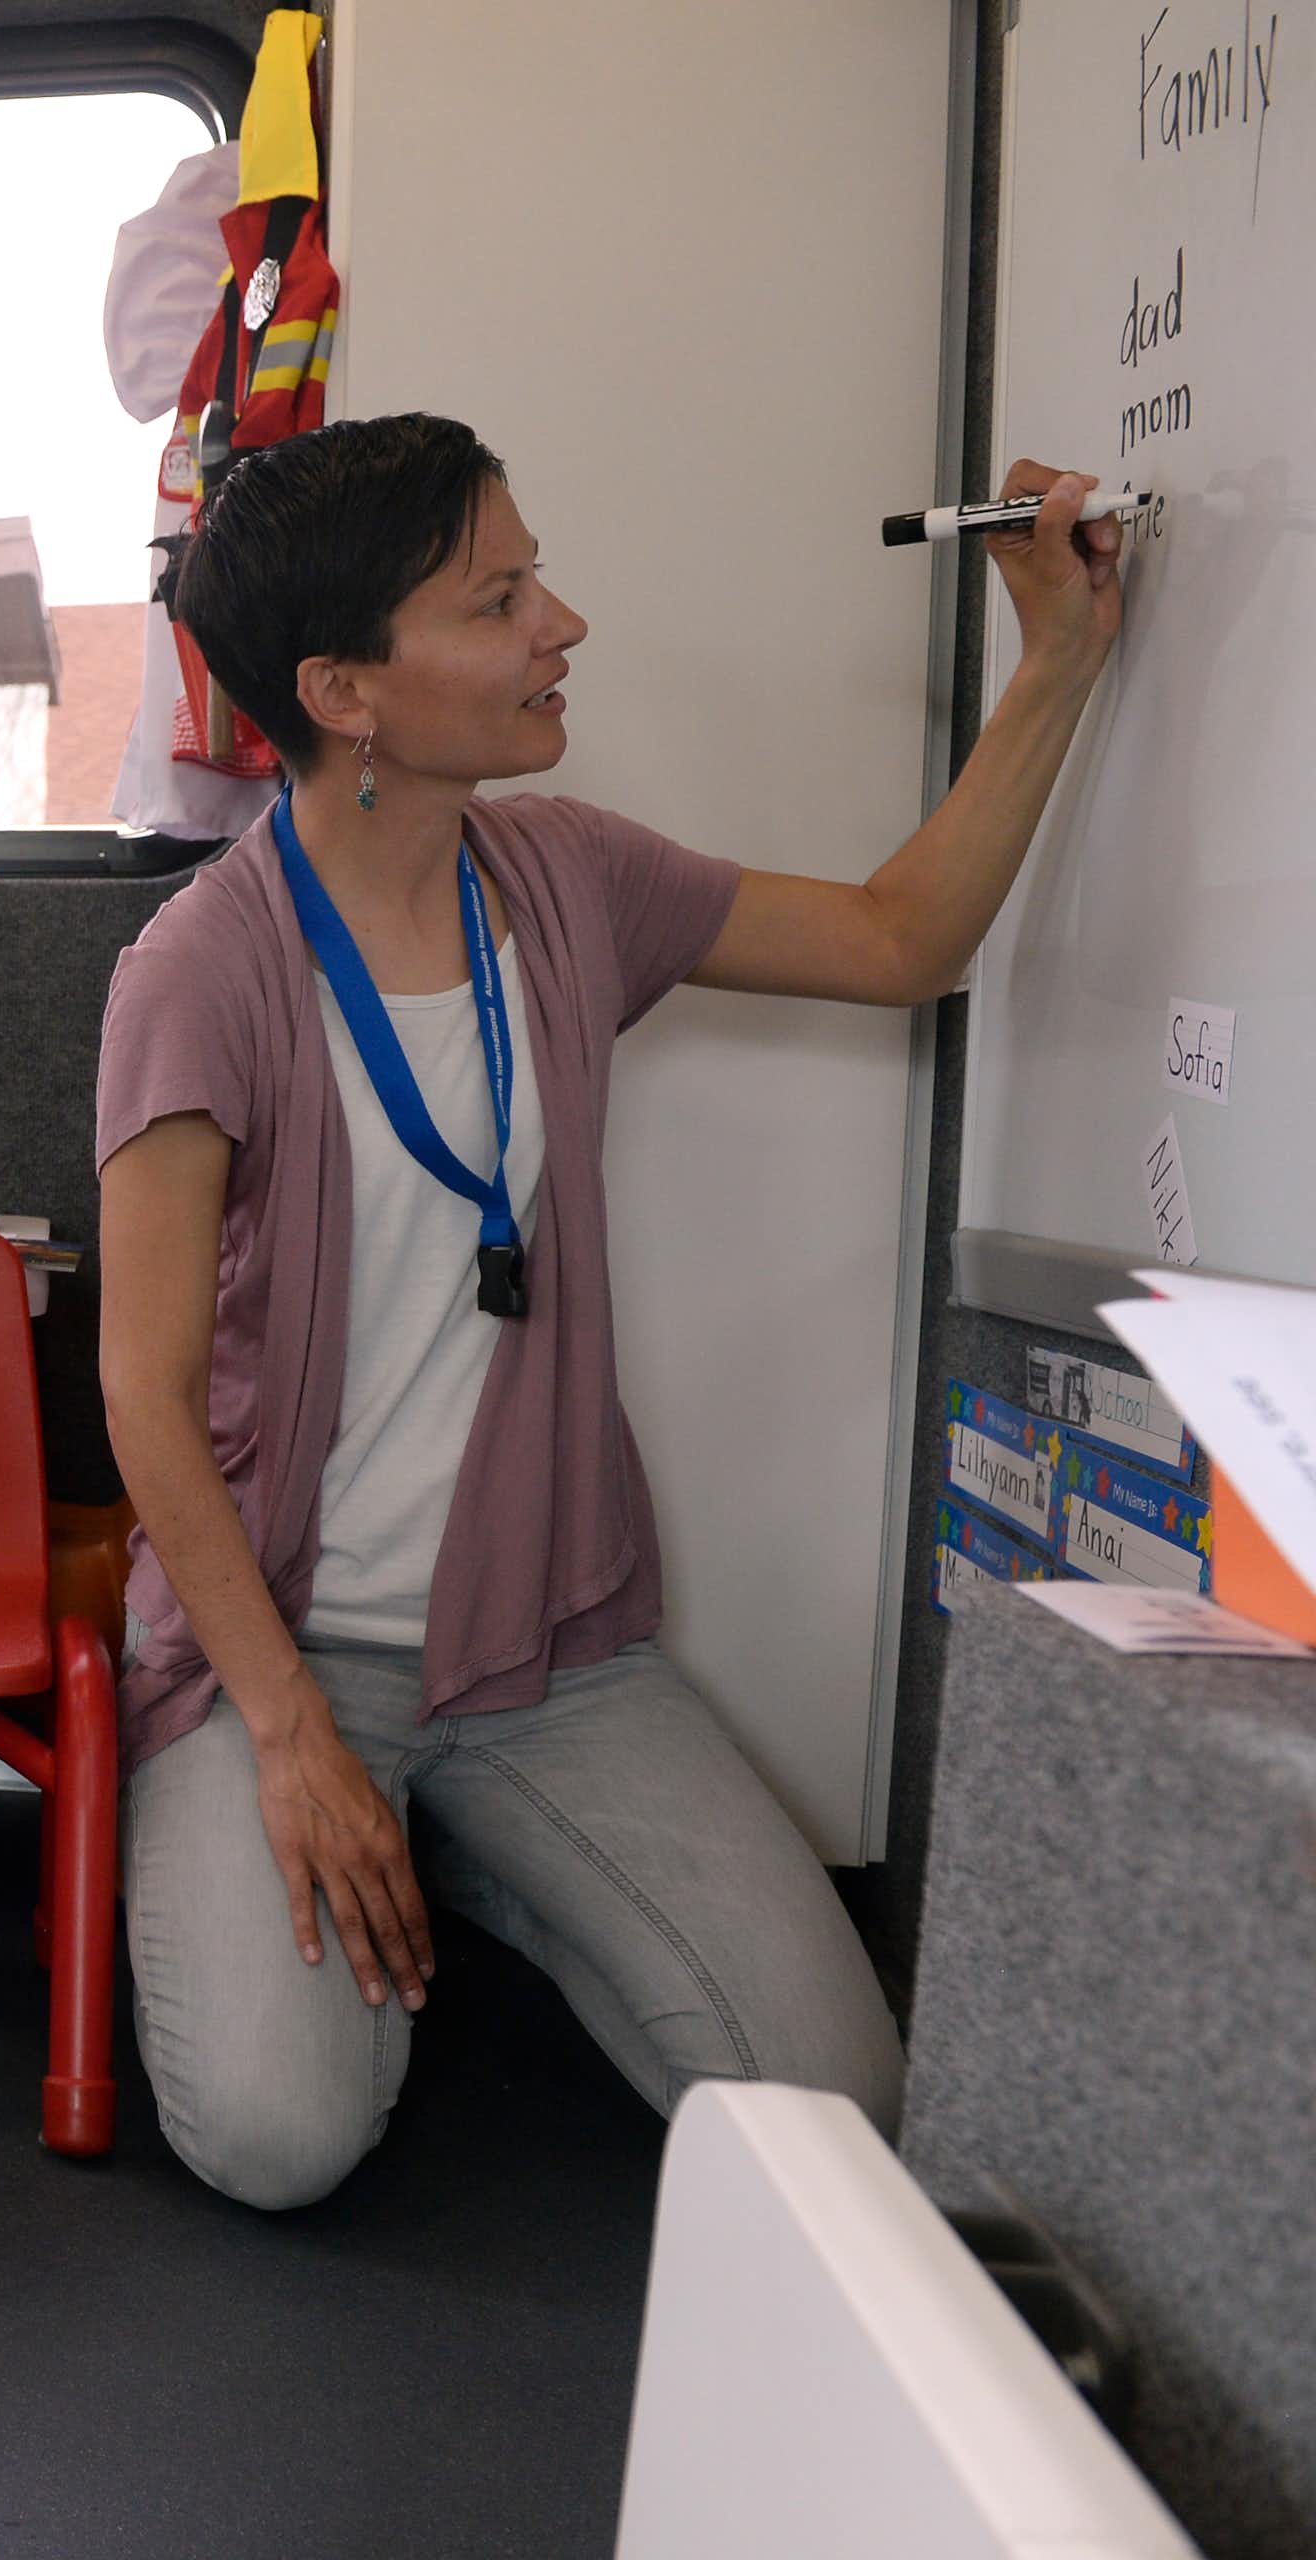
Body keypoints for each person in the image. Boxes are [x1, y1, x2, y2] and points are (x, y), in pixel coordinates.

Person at [95, 413, 1122, 2210]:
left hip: (547, 1650)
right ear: (345, 688)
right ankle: (355, 1827)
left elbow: (898, 941)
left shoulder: (563, 877)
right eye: (499, 600)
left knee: (835, 2107)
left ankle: (487, 1846)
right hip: (286, 1649)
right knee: (279, 2135)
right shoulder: (199, 971)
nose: (559, 624)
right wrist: (286, 1735)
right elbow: (146, 1398)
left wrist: (1056, 662)